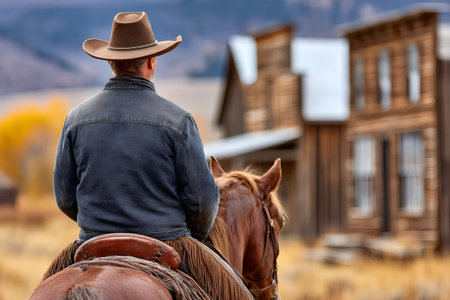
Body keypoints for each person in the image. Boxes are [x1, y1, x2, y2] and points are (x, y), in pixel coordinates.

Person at [44, 12, 250, 299]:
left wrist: (103, 222)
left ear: (110, 62)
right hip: (168, 241)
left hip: (93, 238)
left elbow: (65, 199)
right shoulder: (179, 120)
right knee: (239, 293)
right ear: (152, 62)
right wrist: (193, 235)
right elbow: (203, 202)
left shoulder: (75, 119)